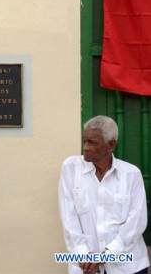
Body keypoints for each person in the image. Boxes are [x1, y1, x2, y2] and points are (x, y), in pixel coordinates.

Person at [58, 115, 150, 274]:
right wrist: (85, 257)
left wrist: (104, 257)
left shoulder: (131, 174)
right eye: (84, 140)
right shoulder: (71, 168)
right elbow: (69, 218)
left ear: (111, 145)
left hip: (127, 266)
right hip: (85, 266)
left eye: (92, 142)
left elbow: (136, 223)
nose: (85, 147)